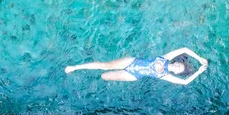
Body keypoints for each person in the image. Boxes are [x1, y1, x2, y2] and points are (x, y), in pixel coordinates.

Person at [65, 47, 208, 84]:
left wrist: (199, 72)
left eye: (179, 70)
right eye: (179, 65)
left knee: (104, 76)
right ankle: (76, 67)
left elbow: (185, 82)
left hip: (133, 75)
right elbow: (184, 49)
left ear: (177, 74)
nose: (177, 68)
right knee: (105, 65)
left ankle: (91, 78)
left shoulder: (165, 76)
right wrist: (200, 58)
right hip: (132, 62)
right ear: (176, 62)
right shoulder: (165, 58)